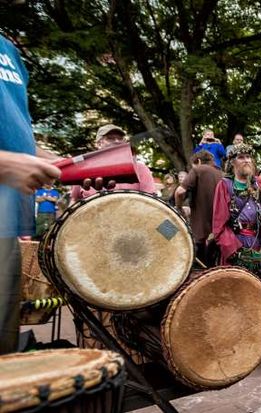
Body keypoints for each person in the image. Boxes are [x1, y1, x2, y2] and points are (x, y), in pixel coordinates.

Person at [1, 33, 61, 354]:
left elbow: (14, 132)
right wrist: (5, 163)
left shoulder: (8, 49)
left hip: (5, 225)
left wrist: (45, 158)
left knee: (5, 356)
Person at [211, 143, 261, 365]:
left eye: (249, 157)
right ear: (232, 163)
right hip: (239, 247)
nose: (246, 160)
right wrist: (235, 251)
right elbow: (219, 226)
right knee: (241, 298)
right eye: (241, 157)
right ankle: (242, 345)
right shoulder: (224, 186)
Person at [70, 124, 156, 202]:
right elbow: (74, 201)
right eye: (110, 138)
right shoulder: (83, 170)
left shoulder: (140, 169)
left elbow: (150, 202)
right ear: (99, 144)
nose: (117, 141)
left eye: (120, 138)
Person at [175, 150, 223, 267]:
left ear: (198, 161)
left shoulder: (198, 169)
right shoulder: (222, 175)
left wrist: (179, 207)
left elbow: (180, 192)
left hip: (200, 233)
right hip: (219, 232)